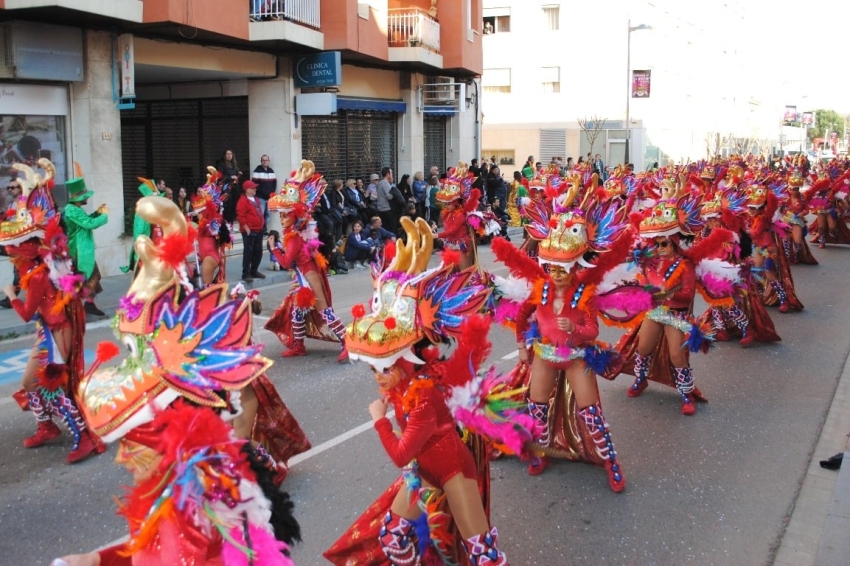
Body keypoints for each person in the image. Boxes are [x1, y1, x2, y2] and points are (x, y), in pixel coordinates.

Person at [55, 196, 301, 564]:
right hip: (190, 344)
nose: (123, 456)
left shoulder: (201, 507)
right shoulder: (182, 492)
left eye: (136, 442)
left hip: (196, 348)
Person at [325, 218, 512, 565]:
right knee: (393, 536)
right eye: (374, 368)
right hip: (423, 471)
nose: (379, 377)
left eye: (385, 368)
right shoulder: (408, 385)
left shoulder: (423, 395)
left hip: (453, 471)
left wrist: (379, 419)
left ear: (406, 360)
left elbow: (400, 454)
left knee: (483, 555)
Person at [2, 160, 102, 464]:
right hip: (51, 327)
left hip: (56, 331)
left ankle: (83, 436)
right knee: (34, 383)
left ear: (28, 246)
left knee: (48, 383)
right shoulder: (44, 264)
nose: (10, 250)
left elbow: (24, 312)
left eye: (14, 246)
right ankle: (46, 425)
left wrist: (9, 294)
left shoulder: (37, 274)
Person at [264, 160, 349, 363]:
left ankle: (347, 342)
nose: (282, 219)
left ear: (294, 216)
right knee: (297, 312)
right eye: (281, 216)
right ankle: (298, 345)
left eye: (286, 215)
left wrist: (273, 247)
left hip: (308, 277)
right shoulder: (297, 230)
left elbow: (285, 263)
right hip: (302, 277)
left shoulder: (294, 237)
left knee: (325, 311)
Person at [62, 175, 108, 317]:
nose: (88, 198)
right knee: (79, 279)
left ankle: (89, 304)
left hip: (83, 250)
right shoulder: (71, 210)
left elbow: (86, 221)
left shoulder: (75, 209)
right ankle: (71, 308)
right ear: (79, 197)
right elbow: (89, 224)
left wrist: (97, 213)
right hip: (77, 251)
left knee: (93, 276)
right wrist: (104, 216)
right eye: (86, 195)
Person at [236, 180, 267, 282]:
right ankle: (246, 273)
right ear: (247, 190)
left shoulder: (256, 199)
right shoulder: (242, 201)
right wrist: (246, 228)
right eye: (253, 188)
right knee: (248, 252)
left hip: (258, 229)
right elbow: (241, 216)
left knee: (258, 252)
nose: (255, 189)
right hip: (249, 230)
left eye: (255, 188)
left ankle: (254, 271)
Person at [0, 177, 23, 309]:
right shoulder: (11, 204)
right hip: (14, 241)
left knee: (19, 271)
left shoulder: (24, 203)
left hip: (24, 242)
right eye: (9, 188)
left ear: (20, 188)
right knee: (19, 271)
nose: (10, 190)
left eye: (13, 187)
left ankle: (11, 299)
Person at [376, 166, 397, 234]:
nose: (392, 175)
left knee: (384, 228)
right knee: (392, 228)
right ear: (387, 174)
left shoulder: (379, 183)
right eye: (391, 173)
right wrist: (395, 195)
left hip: (380, 208)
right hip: (387, 209)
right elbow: (389, 196)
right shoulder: (385, 183)